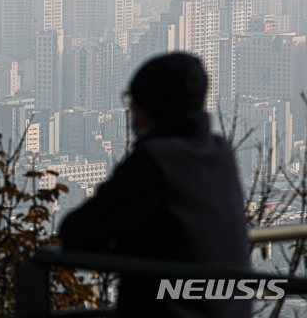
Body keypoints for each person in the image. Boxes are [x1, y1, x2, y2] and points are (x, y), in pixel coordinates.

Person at [59, 52, 250, 317]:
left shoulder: (155, 160)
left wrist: (129, 244)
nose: (132, 111)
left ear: (152, 108)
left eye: (135, 102)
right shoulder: (220, 152)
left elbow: (77, 230)